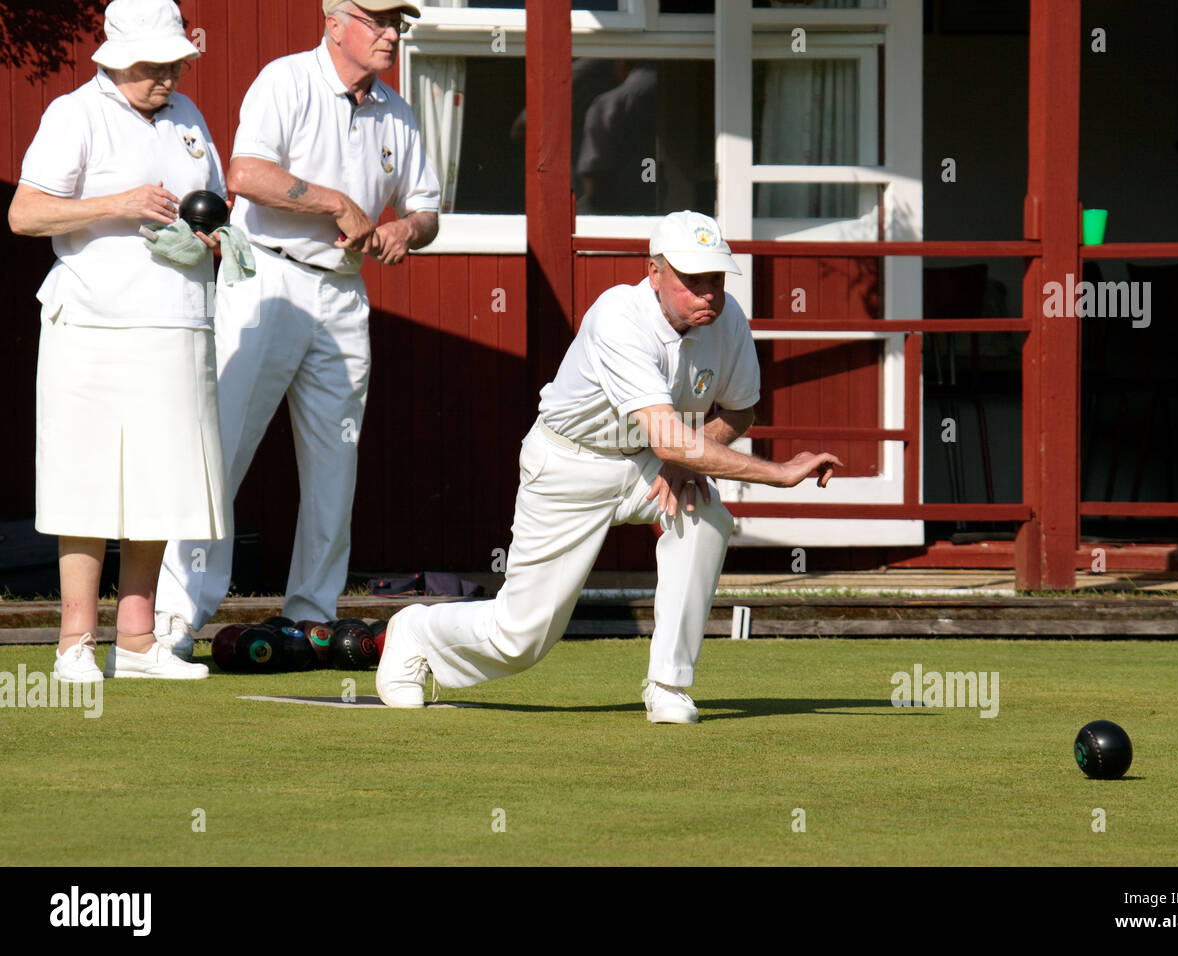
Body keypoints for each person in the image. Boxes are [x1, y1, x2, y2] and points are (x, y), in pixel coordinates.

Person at [378, 210, 843, 722]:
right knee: (521, 638)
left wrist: (691, 458)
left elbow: (738, 410)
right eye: (693, 281)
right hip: (568, 464)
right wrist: (776, 472)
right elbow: (670, 438)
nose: (709, 294)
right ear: (655, 273)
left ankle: (669, 685)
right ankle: (415, 630)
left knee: (706, 516)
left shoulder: (728, 318)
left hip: (647, 461)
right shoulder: (618, 315)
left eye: (716, 278)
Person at [154, 0, 442, 658]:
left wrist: (404, 229)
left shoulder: (396, 111)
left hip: (343, 292)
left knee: (335, 467)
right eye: (378, 20)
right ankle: (177, 620)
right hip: (268, 282)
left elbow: (426, 209)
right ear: (335, 22)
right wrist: (338, 201)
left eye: (399, 21)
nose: (392, 34)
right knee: (219, 453)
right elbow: (246, 174)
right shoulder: (286, 81)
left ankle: (309, 618)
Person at [7, 0, 223, 681]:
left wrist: (213, 238)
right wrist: (117, 204)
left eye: (174, 64)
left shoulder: (189, 119)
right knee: (89, 479)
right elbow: (25, 213)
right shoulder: (75, 114)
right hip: (94, 320)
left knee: (158, 481)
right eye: (155, 66)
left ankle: (134, 642)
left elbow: (211, 202)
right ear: (118, 59)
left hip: (177, 317)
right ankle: (75, 642)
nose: (167, 77)